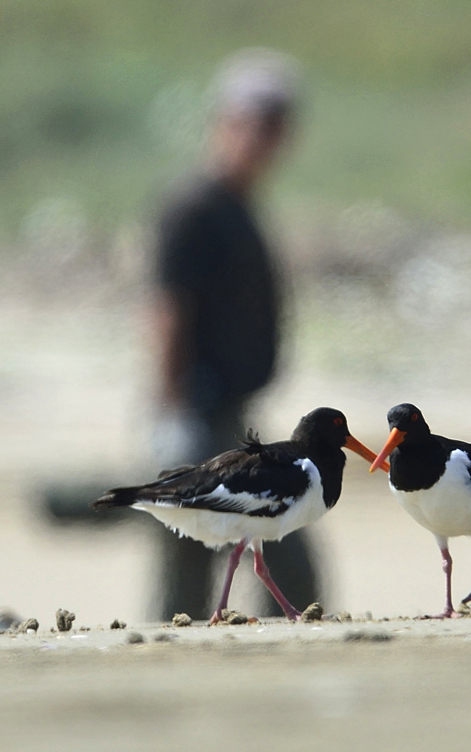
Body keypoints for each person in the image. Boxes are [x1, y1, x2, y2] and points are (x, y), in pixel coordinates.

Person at [147, 49, 319, 621]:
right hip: (200, 409)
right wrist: (172, 415)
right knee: (197, 548)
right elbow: (169, 311)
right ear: (224, 121)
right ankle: (167, 653)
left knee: (241, 545)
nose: (265, 138)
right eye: (254, 122)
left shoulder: (237, 206)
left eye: (276, 125)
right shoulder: (193, 207)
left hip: (233, 411)